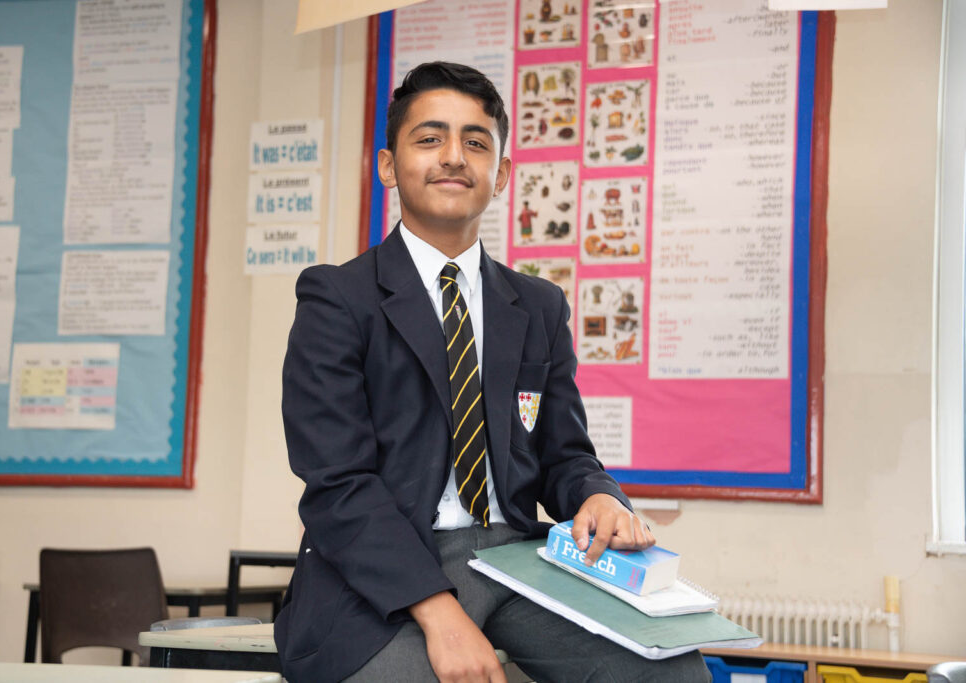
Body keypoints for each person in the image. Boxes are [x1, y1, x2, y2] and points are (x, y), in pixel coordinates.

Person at [274, 61, 710, 683]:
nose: (454, 156)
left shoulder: (536, 306)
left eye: (475, 143)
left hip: (516, 560)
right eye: (429, 139)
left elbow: (564, 456)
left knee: (670, 670)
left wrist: (596, 497)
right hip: (380, 572)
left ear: (500, 174)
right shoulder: (338, 300)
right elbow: (338, 483)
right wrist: (439, 614)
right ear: (388, 167)